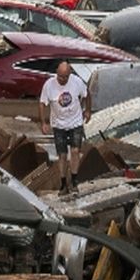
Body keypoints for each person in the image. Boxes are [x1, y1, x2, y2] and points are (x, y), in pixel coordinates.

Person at [39, 61, 91, 195]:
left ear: (69, 75)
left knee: (75, 151)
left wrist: (88, 110)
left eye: (65, 77)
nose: (62, 80)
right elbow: (42, 104)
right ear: (57, 73)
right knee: (61, 155)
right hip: (58, 124)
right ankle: (63, 184)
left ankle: (74, 180)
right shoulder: (49, 85)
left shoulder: (77, 82)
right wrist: (44, 122)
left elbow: (87, 94)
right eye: (60, 77)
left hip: (75, 122)